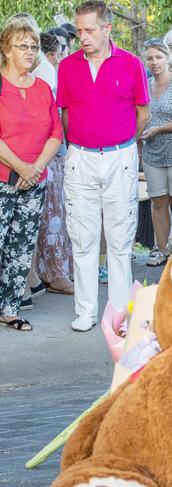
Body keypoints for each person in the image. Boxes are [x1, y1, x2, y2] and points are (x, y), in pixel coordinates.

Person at [57, 0, 150, 331]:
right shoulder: (67, 67)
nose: (83, 36)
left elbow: (143, 112)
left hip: (119, 157)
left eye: (89, 30)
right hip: (80, 157)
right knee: (82, 237)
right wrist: (84, 142)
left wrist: (120, 142)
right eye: (79, 30)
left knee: (120, 238)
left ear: (107, 29)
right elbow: (66, 113)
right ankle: (85, 311)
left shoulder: (131, 64)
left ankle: (121, 316)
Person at [0, 15, 63, 330]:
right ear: (6, 49)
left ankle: (9, 308)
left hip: (35, 182)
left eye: (33, 46)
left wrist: (35, 169)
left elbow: (56, 132)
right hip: (3, 180)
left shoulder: (42, 88)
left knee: (21, 247)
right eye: (21, 46)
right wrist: (22, 167)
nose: (29, 52)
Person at [32, 30, 75, 296]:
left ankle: (51, 271)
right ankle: (53, 273)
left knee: (54, 215)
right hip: (48, 153)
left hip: (53, 151)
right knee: (51, 217)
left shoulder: (46, 69)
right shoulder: (46, 70)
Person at [141, 39, 172, 266]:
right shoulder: (145, 84)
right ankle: (162, 250)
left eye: (158, 57)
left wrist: (159, 128)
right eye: (150, 58)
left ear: (167, 58)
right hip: (152, 152)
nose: (154, 62)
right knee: (158, 201)